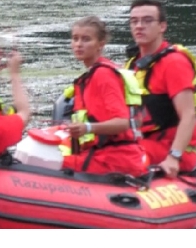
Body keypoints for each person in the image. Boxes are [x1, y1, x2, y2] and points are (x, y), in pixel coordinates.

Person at [125, 0, 196, 178]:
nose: (139, 26)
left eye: (147, 20)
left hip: (171, 150)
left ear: (162, 26)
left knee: (111, 155)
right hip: (143, 142)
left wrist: (174, 157)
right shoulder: (133, 64)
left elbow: (189, 115)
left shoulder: (174, 63)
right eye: (134, 21)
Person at [59, 16, 147, 175]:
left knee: (39, 162)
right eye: (75, 39)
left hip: (114, 159)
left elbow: (123, 122)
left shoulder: (103, 75)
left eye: (86, 39)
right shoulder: (94, 73)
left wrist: (87, 128)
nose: (78, 44)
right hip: (102, 154)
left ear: (100, 44)